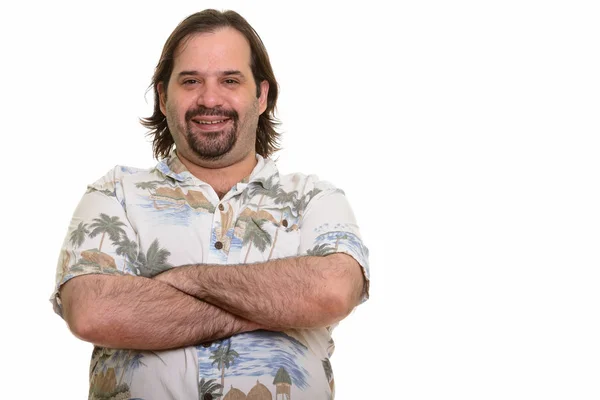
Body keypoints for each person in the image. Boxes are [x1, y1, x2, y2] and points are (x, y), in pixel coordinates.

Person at [51, 9, 370, 400]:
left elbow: (333, 292)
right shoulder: (115, 193)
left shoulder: (313, 198)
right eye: (191, 81)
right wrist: (275, 305)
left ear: (262, 95)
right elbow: (93, 312)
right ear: (164, 97)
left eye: (230, 80)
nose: (210, 98)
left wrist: (185, 280)